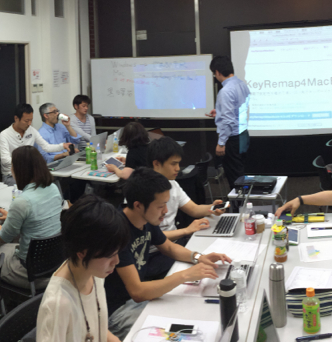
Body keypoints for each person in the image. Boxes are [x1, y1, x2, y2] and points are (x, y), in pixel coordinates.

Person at [95, 169, 232, 337]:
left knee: (191, 311)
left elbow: (168, 247)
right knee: (182, 328)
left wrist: (199, 257)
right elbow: (137, 292)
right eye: (160, 206)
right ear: (138, 205)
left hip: (137, 299)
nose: (166, 211)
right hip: (117, 311)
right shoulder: (118, 232)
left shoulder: (145, 219)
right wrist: (185, 275)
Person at [36, 195, 127, 342]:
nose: (116, 261)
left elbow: (96, 326)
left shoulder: (94, 272)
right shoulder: (58, 304)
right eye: (110, 255)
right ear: (82, 253)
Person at [0, 146, 65, 289]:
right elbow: (38, 217)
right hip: (53, 262)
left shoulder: (23, 202)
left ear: (20, 170)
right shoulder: (53, 188)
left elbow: (4, 237)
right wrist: (12, 216)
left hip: (27, 270)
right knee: (2, 249)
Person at [142, 137, 225, 242]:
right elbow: (148, 236)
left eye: (178, 163)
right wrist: (186, 230)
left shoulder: (173, 184)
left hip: (174, 241)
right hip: (155, 247)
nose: (178, 168)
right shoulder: (143, 190)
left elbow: (193, 209)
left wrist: (212, 208)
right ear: (156, 164)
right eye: (173, 164)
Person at [206, 55, 250, 186]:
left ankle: (239, 199)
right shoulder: (242, 84)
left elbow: (228, 121)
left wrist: (221, 143)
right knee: (241, 171)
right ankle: (244, 196)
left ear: (217, 72)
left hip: (232, 139)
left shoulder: (225, 91)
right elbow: (239, 108)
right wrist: (220, 112)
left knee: (234, 177)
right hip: (243, 134)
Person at [0, 104, 70, 181]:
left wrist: (63, 146)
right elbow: (5, 160)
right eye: (26, 121)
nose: (29, 123)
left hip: (29, 173)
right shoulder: (5, 134)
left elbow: (46, 147)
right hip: (12, 175)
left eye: (31, 120)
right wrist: (27, 162)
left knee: (50, 180)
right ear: (16, 118)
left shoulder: (32, 131)